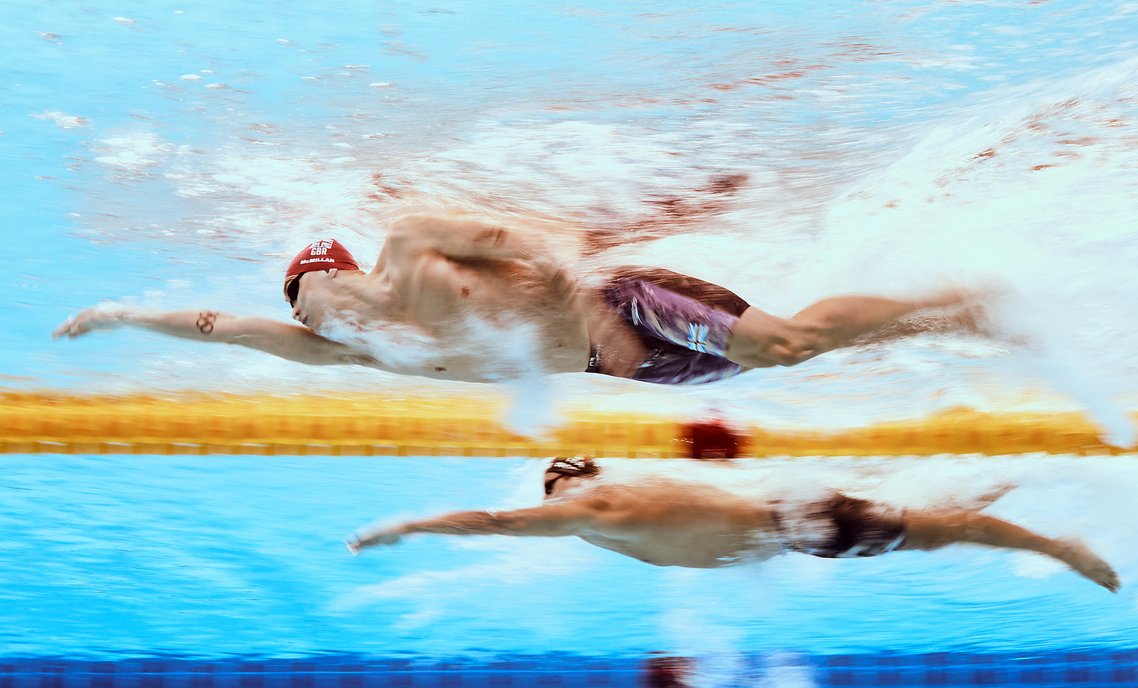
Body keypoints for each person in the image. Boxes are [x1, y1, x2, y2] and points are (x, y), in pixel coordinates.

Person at [52, 199, 983, 385]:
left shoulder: (415, 243)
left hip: (618, 309)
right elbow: (219, 329)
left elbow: (532, 242)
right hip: (609, 369)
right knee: (799, 352)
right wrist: (120, 314)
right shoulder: (351, 345)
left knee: (787, 344)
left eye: (308, 293)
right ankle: (953, 322)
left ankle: (961, 297)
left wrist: (597, 311)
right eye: (297, 307)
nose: (305, 315)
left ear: (340, 269)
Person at [346, 456, 1120, 592]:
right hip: (798, 523)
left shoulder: (593, 508)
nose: (547, 502)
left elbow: (492, 523)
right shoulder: (602, 510)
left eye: (553, 487)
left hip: (802, 524)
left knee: (947, 528)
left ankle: (1060, 545)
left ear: (578, 483)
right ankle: (1029, 465)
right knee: (937, 516)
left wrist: (404, 529)